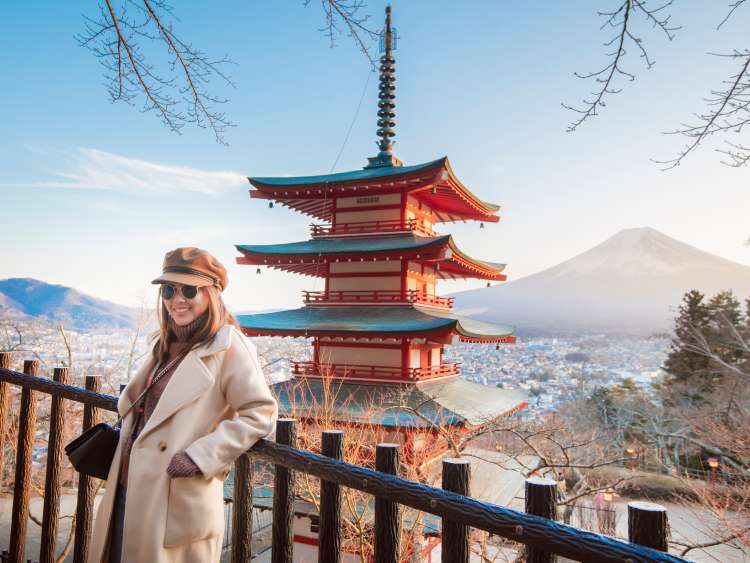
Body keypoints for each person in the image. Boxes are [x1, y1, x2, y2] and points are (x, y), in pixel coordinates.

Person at [87, 247, 278, 563]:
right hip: (127, 488)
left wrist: (201, 455)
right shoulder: (164, 345)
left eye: (189, 289)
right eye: (168, 289)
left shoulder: (228, 347)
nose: (177, 299)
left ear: (212, 294)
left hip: (173, 498)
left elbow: (261, 413)